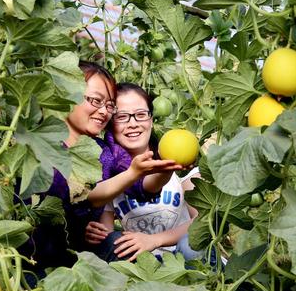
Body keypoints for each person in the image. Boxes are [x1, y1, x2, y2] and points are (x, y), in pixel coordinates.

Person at [19, 62, 181, 266]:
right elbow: (77, 194)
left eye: (109, 105)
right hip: (28, 260)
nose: (104, 111)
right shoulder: (39, 144)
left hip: (77, 257)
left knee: (116, 243)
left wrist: (165, 170)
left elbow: (143, 186)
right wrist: (133, 173)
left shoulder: (105, 150)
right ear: (65, 95)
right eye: (96, 101)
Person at [97, 83, 204, 262]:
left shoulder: (179, 159)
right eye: (122, 117)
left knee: (191, 246)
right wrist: (94, 232)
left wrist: (154, 240)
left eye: (140, 115)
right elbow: (107, 236)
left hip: (185, 259)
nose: (133, 124)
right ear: (110, 124)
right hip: (143, 265)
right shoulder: (110, 175)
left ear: (151, 120)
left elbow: (203, 222)